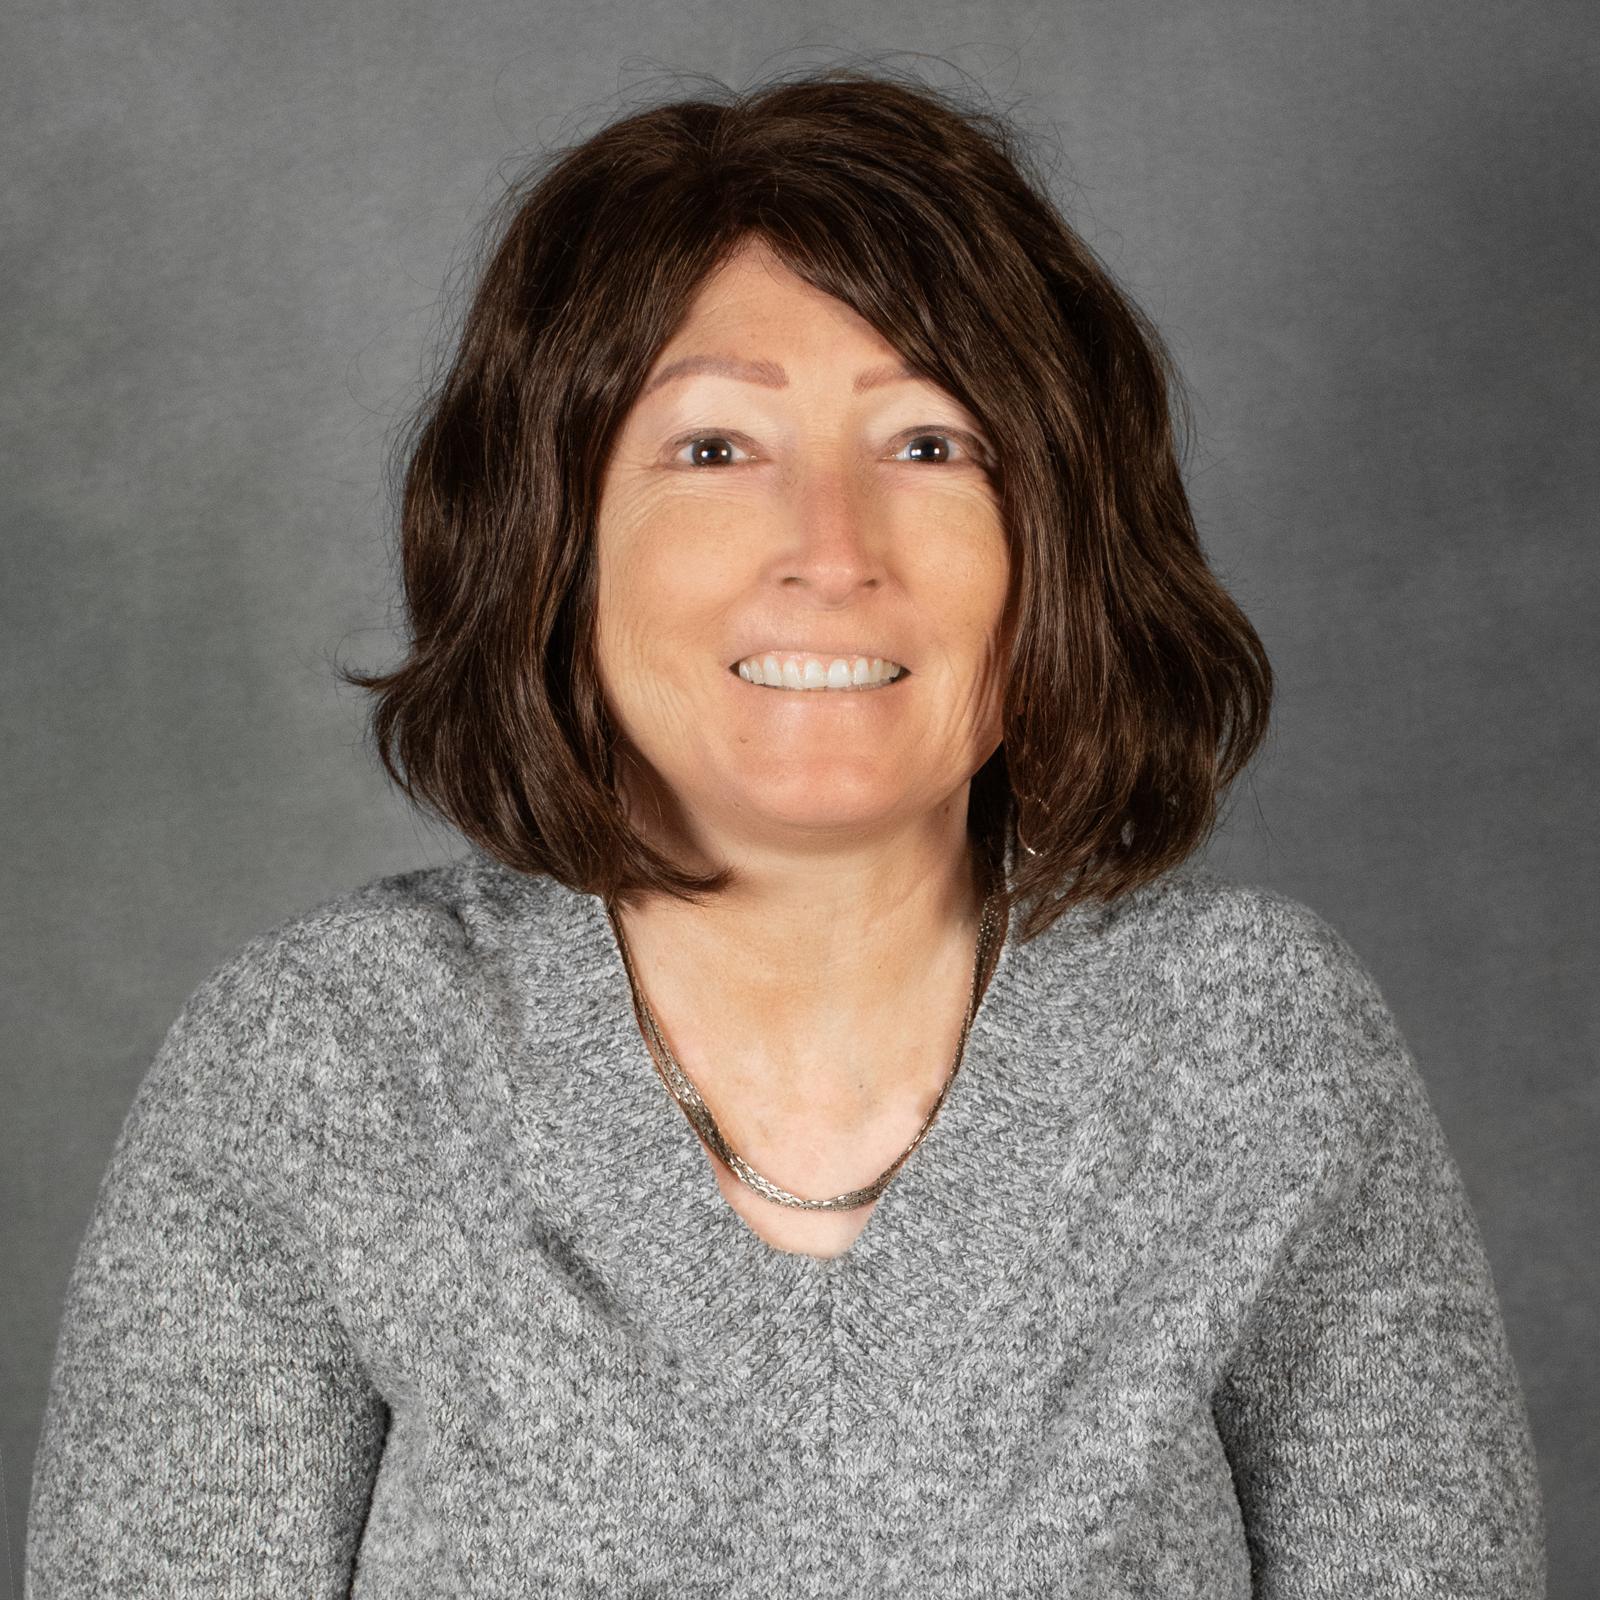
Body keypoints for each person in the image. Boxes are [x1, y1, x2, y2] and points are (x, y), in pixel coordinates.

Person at [27, 72, 1543, 1596]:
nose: (832, 550)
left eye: (932, 445)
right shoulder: (324, 1062)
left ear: (1059, 543)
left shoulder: (1255, 1047)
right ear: (552, 539)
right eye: (715, 449)